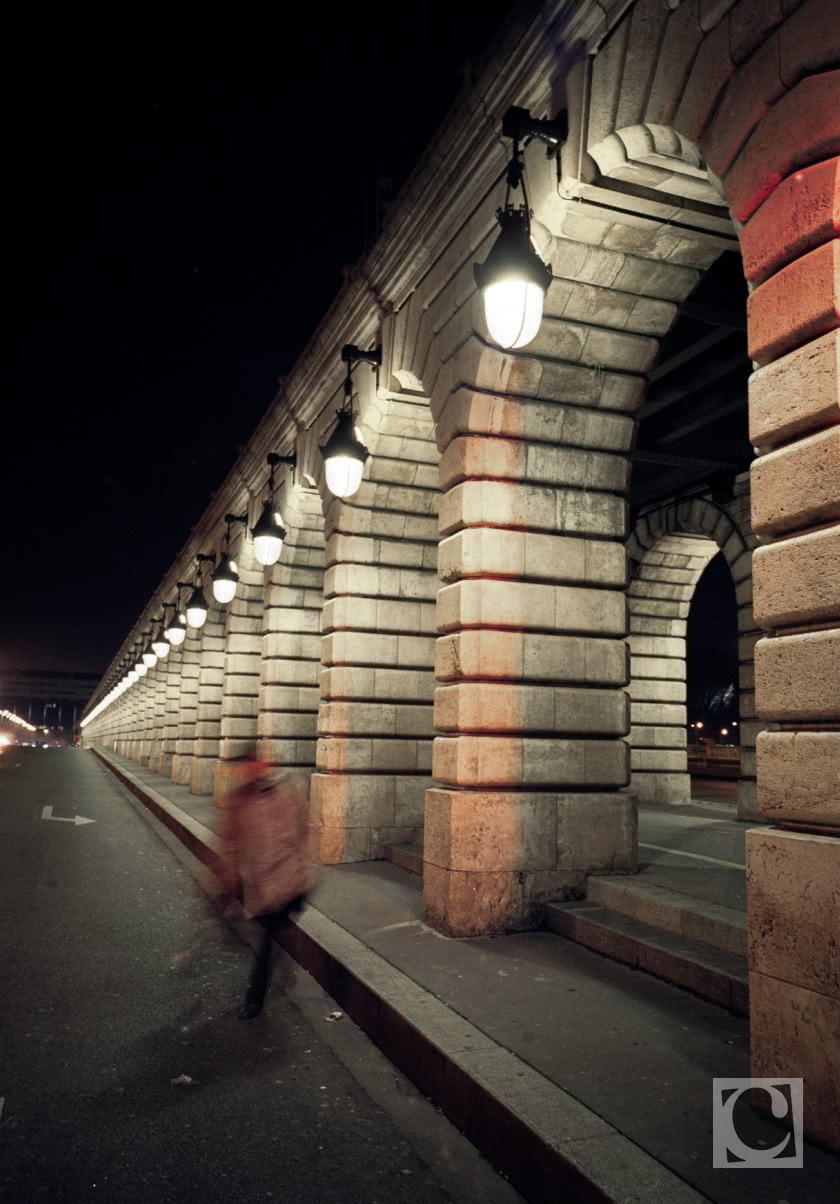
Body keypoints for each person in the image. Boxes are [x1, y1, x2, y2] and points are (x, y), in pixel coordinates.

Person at [215, 750, 312, 1019]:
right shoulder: (241, 801)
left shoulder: (285, 791)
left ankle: (254, 999)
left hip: (288, 878)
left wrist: (302, 868)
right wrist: (229, 876)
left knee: (267, 941)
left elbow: (300, 831)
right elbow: (230, 842)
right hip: (263, 883)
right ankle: (284, 959)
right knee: (274, 933)